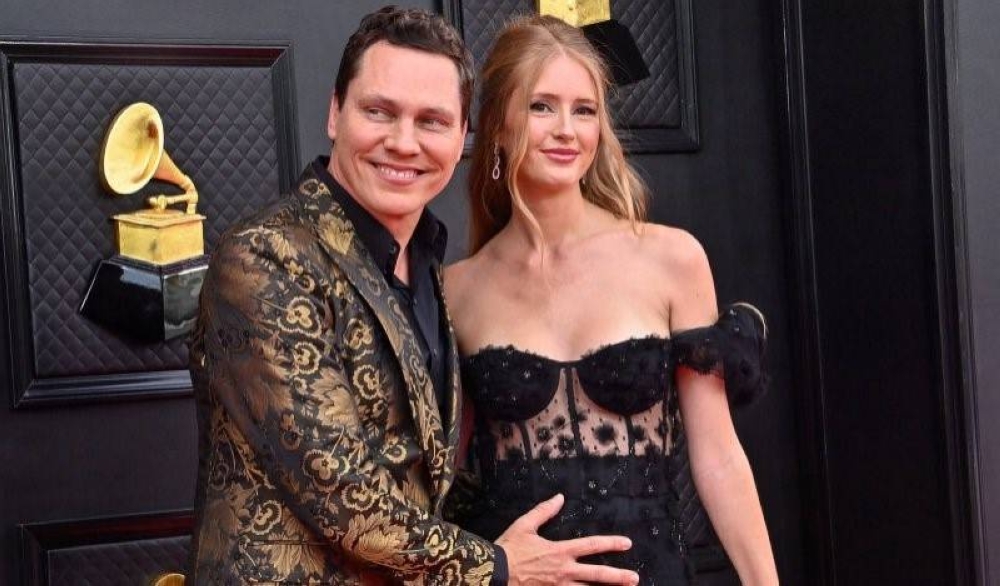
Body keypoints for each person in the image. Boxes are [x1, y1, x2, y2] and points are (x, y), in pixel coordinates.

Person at [186, 6, 641, 586]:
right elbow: (340, 490)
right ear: (336, 113)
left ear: (461, 136)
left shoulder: (428, 266)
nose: (403, 143)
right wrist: (501, 567)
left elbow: (429, 478)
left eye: (432, 121)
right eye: (379, 112)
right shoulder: (264, 256)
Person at [444, 15, 780, 585]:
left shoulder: (670, 258)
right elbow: (440, 479)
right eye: (542, 106)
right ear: (498, 125)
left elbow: (718, 456)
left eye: (585, 110)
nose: (566, 130)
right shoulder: (458, 288)